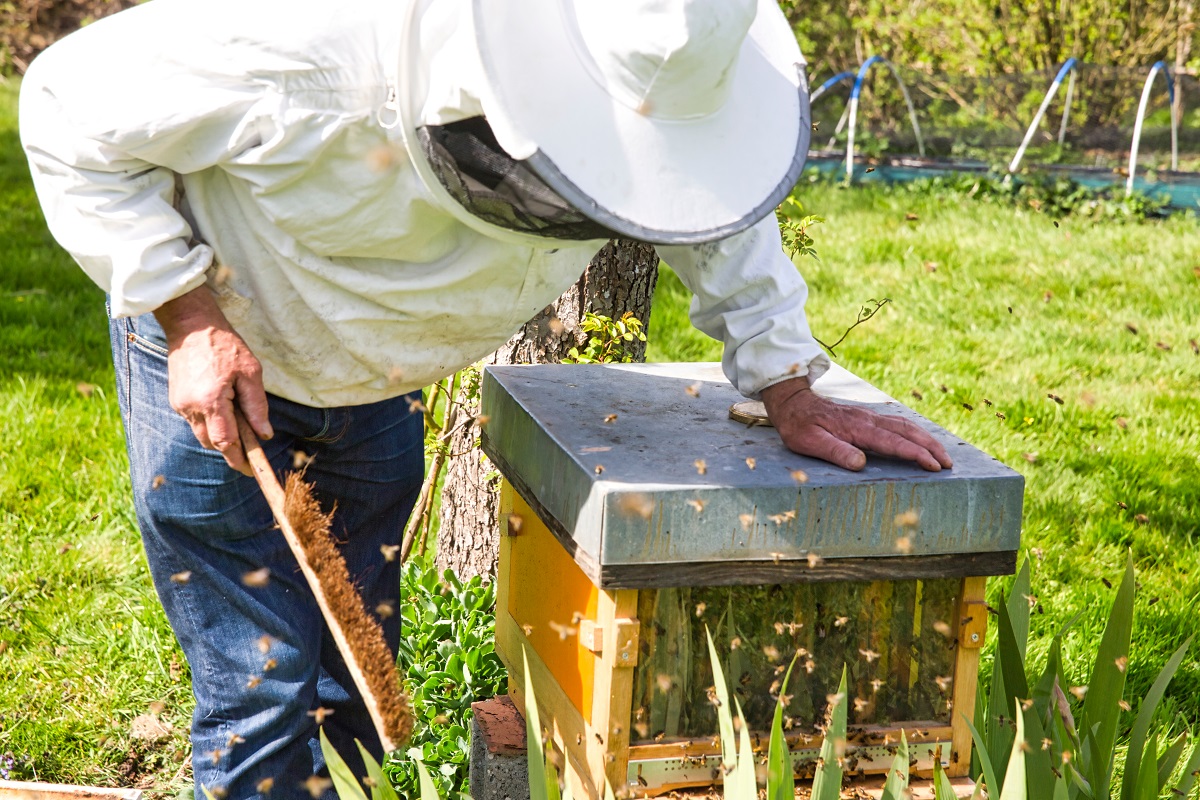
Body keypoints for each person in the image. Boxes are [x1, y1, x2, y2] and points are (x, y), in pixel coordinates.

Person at [20, 0, 953, 796]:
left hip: (375, 385)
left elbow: (711, 209)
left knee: (360, 673)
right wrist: (186, 313)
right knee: (261, 690)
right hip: (223, 361)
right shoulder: (304, 42)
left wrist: (787, 377)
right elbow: (63, 104)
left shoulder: (663, 58)